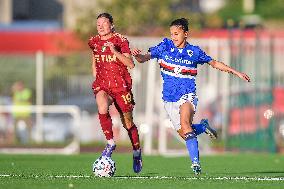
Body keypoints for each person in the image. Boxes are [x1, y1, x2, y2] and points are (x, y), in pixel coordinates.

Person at [132, 18, 250, 175]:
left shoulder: (194, 52)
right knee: (185, 133)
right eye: (172, 34)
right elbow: (143, 59)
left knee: (186, 125)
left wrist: (236, 72)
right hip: (169, 99)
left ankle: (195, 164)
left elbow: (214, 63)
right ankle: (203, 126)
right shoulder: (164, 46)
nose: (173, 37)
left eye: (177, 33)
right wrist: (138, 56)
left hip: (187, 96)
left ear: (185, 34)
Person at [88, 12, 142, 173]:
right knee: (102, 105)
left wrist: (114, 52)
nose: (100, 26)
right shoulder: (94, 41)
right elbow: (94, 59)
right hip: (103, 85)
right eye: (98, 23)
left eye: (104, 23)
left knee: (128, 124)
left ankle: (137, 151)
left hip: (121, 87)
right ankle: (111, 142)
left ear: (111, 25)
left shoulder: (120, 40)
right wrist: (96, 76)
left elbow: (130, 64)